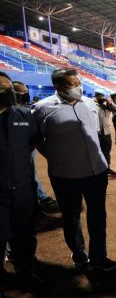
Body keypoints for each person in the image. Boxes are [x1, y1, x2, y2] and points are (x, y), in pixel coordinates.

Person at [33, 68, 116, 271]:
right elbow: (37, 139)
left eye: (79, 82)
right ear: (59, 87)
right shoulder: (42, 108)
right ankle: (79, 253)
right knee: (71, 216)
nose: (78, 87)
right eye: (73, 84)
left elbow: (95, 133)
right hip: (65, 174)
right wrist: (55, 156)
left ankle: (99, 257)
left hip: (96, 171)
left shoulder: (90, 104)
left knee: (98, 215)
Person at [0, 72, 40, 279]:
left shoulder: (24, 115)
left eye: (10, 89)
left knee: (25, 234)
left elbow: (32, 143)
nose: (8, 93)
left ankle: (25, 270)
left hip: (23, 188)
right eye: (3, 89)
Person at [13, 81, 57, 209]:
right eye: (22, 92)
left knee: (31, 173)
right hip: (15, 153)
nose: (25, 94)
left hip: (28, 150)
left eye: (26, 92)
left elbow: (36, 138)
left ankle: (40, 201)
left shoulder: (26, 112)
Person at [93, 89, 116, 174]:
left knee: (106, 151)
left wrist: (109, 103)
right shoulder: (91, 105)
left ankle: (107, 168)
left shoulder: (107, 105)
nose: (99, 97)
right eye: (98, 95)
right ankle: (96, 169)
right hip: (96, 133)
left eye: (101, 95)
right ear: (95, 95)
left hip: (106, 132)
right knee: (96, 152)